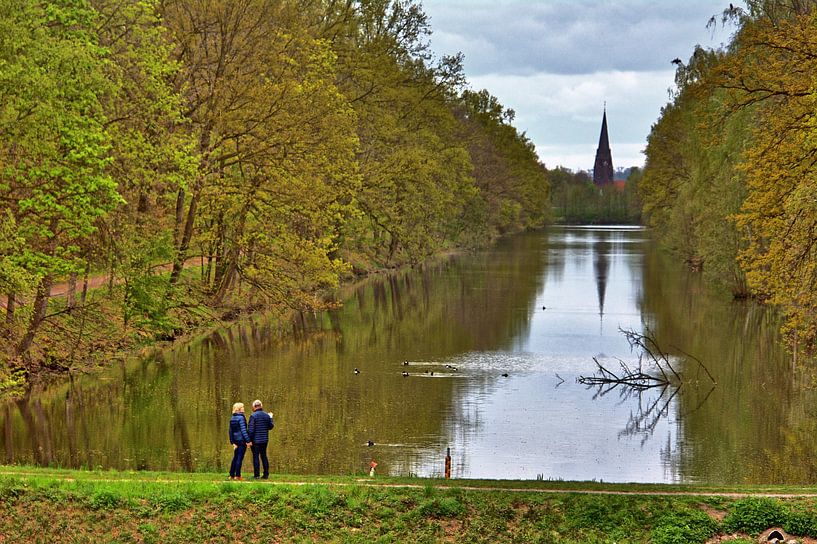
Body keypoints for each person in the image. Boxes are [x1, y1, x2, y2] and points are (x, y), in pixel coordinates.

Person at [247, 399, 274, 479]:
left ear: (254, 407)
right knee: (264, 456)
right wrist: (271, 418)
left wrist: (249, 440)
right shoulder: (266, 415)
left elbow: (251, 430)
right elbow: (270, 426)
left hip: (255, 441)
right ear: (261, 406)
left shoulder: (253, 416)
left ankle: (256, 475)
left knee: (256, 457)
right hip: (264, 440)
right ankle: (266, 474)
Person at [228, 402, 251, 480]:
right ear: (239, 409)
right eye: (242, 407)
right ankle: (237, 476)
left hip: (236, 441)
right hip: (241, 441)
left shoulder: (232, 418)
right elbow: (243, 430)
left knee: (235, 457)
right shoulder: (241, 418)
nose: (244, 408)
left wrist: (232, 442)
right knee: (239, 458)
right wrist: (248, 441)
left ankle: (231, 475)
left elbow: (230, 431)